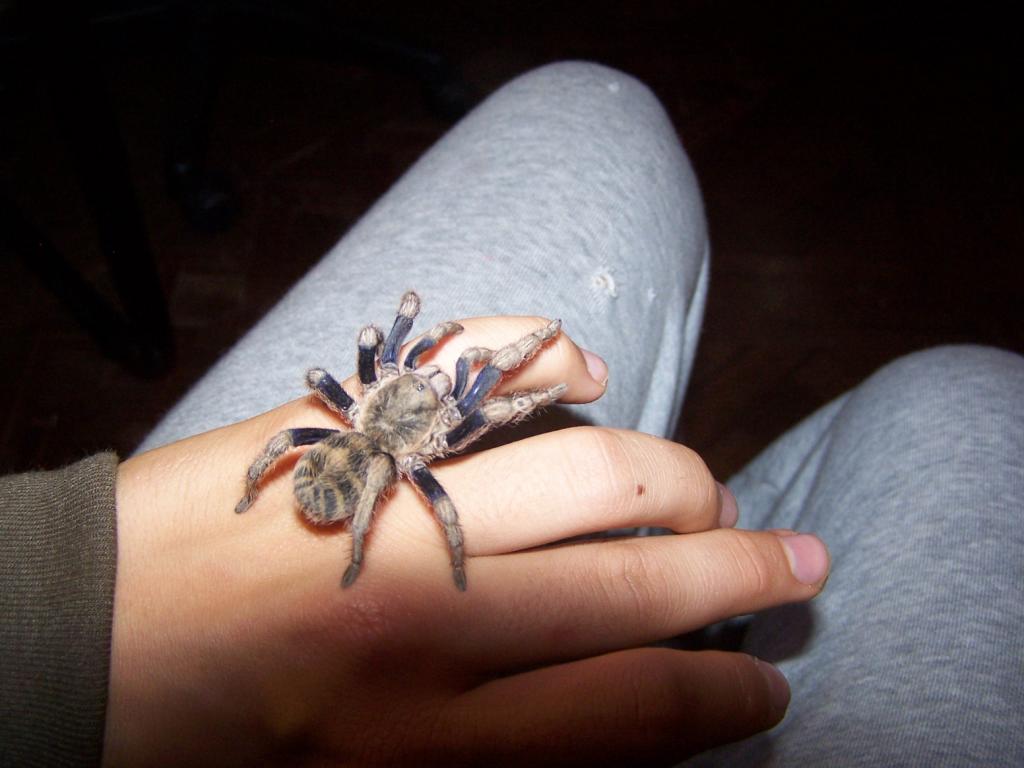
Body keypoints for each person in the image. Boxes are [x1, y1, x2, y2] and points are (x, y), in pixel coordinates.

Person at [2, 62, 1021, 767]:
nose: (425, 372)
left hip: (359, 437)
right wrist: (367, 548)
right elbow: (423, 470)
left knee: (589, 117)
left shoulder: (344, 411)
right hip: (376, 457)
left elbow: (322, 397)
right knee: (966, 401)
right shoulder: (429, 432)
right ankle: (686, 577)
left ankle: (681, 582)